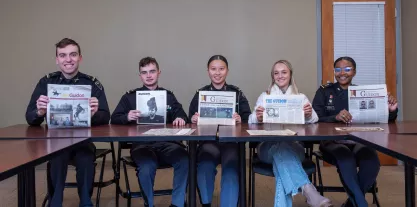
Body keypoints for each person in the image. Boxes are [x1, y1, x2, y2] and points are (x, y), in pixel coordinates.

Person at [25, 38, 110, 207]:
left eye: (73, 54)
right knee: (57, 157)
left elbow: (106, 116)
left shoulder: (91, 83)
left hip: (83, 141)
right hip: (56, 142)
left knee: (86, 158)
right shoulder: (46, 82)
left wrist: (93, 114)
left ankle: (86, 203)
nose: (68, 59)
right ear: (57, 60)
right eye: (62, 55)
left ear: (80, 58)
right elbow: (30, 117)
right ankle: (55, 203)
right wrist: (40, 112)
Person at [312, 56, 398, 207]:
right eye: (338, 69)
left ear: (354, 72)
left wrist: (391, 110)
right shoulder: (324, 91)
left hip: (359, 140)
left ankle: (352, 204)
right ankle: (360, 203)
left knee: (371, 160)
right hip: (333, 141)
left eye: (347, 69)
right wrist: (335, 117)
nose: (342, 73)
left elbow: (383, 118)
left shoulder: (362, 93)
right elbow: (314, 118)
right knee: (346, 159)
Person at [248, 60, 333, 207]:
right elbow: (250, 121)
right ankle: (309, 190)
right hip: (267, 147)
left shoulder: (300, 97)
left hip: (294, 147)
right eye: (276, 73)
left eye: (284, 72)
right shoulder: (265, 96)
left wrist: (307, 115)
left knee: (282, 163)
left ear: (290, 74)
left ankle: (309, 192)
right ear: (272, 76)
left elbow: (315, 119)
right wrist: (258, 116)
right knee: (280, 149)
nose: (280, 76)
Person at [111, 57, 189, 207]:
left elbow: (182, 114)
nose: (148, 75)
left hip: (167, 143)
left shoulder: (168, 96)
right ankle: (149, 204)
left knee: (185, 159)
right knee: (147, 165)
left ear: (159, 73)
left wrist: (180, 118)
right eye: (144, 72)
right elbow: (114, 118)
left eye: (152, 71)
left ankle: (177, 203)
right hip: (142, 145)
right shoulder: (130, 97)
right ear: (140, 75)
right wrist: (127, 116)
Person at [189, 55, 251, 207]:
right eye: (213, 69)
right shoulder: (200, 94)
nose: (217, 73)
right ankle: (206, 203)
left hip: (230, 142)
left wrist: (240, 119)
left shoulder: (237, 93)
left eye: (221, 69)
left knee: (230, 172)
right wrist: (193, 119)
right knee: (204, 168)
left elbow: (249, 118)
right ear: (208, 71)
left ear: (227, 71)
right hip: (208, 142)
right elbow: (188, 118)